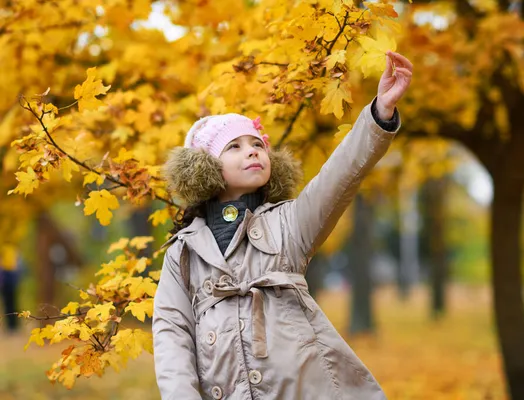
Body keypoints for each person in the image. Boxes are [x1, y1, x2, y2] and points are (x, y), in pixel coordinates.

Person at [153, 50, 413, 399]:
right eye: (234, 146)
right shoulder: (184, 252)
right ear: (206, 168)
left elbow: (339, 177)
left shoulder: (288, 224)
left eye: (257, 144)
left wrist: (379, 115)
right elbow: (171, 332)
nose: (252, 151)